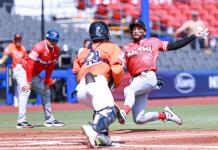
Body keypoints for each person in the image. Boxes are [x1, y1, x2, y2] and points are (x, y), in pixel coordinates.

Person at [116, 19, 208, 125]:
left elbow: (174, 45)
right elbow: (119, 66)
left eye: (139, 28)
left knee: (128, 90)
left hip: (148, 76)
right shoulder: (126, 48)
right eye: (133, 28)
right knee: (139, 119)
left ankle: (123, 112)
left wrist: (194, 36)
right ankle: (167, 115)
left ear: (144, 32)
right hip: (137, 81)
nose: (136, 30)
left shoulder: (153, 41)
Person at [73, 21, 124, 147]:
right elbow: (117, 70)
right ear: (106, 33)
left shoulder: (82, 52)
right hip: (97, 81)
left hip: (81, 90)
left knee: (100, 110)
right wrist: (116, 83)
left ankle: (102, 137)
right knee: (110, 112)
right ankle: (93, 130)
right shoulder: (112, 47)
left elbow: (76, 73)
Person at [13, 29, 65, 128]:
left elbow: (50, 67)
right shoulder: (39, 47)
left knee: (46, 91)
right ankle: (21, 121)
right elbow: (30, 65)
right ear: (47, 38)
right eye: (51, 40)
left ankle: (49, 120)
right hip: (22, 70)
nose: (53, 42)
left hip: (33, 74)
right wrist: (28, 82)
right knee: (25, 90)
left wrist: (46, 82)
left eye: (55, 40)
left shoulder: (56, 50)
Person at [0, 33, 28, 107]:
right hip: (14, 69)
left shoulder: (23, 48)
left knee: (18, 86)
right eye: (16, 39)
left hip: (22, 69)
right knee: (19, 84)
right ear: (14, 40)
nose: (18, 40)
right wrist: (3, 58)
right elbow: (4, 54)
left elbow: (26, 59)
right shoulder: (11, 46)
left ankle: (17, 101)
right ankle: (17, 101)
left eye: (19, 39)